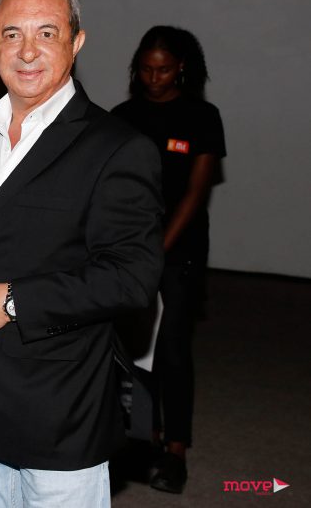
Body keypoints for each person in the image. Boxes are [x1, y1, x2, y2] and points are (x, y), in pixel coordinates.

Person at [0, 0, 164, 507]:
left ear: (76, 42)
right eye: (12, 34)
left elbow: (132, 278)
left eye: (47, 33)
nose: (27, 51)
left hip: (57, 411)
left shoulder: (117, 147)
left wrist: (12, 301)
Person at [112, 25, 226, 494]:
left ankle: (176, 448)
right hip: (129, 248)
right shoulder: (123, 117)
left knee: (173, 348)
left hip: (180, 250)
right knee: (133, 347)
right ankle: (145, 437)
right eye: (145, 69)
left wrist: (157, 250)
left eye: (162, 70)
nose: (153, 78)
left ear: (181, 68)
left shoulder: (202, 116)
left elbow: (196, 193)